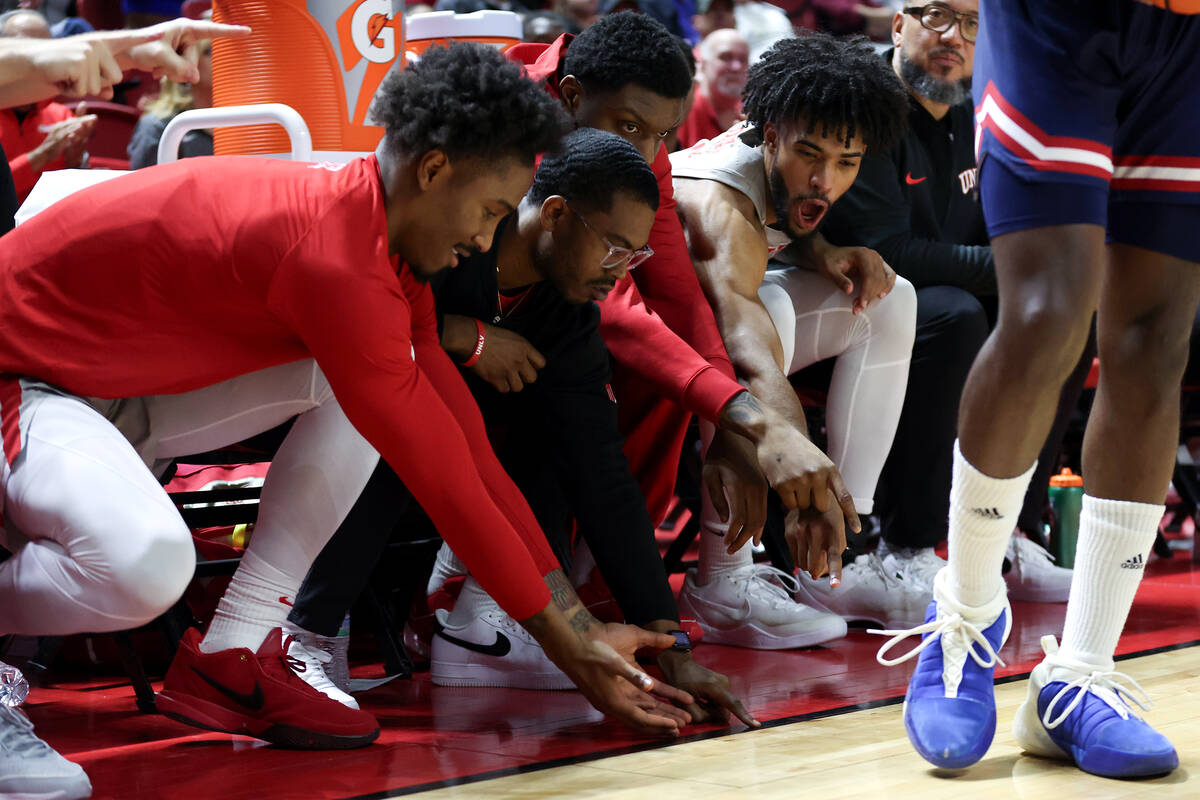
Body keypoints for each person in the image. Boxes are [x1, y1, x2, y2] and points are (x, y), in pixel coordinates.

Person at [0, 43, 695, 772]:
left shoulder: (381, 232)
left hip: (105, 387)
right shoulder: (337, 258)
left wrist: (580, 626)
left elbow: (466, 450)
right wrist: (570, 648)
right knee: (147, 565)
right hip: (23, 377)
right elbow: (444, 482)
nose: (485, 242)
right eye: (490, 212)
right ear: (432, 171)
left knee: (366, 390)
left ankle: (234, 651)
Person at [289, 129, 759, 727]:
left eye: (634, 257)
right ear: (557, 214)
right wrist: (466, 337)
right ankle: (307, 632)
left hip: (460, 469)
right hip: (323, 390)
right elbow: (372, 317)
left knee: (571, 434)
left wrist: (672, 649)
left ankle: (493, 614)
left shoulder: (568, 313)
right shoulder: (453, 233)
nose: (618, 275)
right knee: (405, 420)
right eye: (614, 248)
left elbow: (605, 481)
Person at [876, 0, 1196, 778]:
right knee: (1050, 313)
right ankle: (968, 610)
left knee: (1154, 343)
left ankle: (1077, 675)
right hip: (1056, 21)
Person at [800, 0, 1074, 628]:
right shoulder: (863, 102)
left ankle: (1010, 534)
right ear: (899, 25)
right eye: (937, 16)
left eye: (974, 24)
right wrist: (1018, 266)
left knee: (1058, 315)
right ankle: (907, 545)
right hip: (847, 298)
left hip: (921, 301)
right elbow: (887, 252)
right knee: (955, 315)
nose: (954, 36)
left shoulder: (977, 111)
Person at [671, 33, 917, 648]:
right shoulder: (720, 202)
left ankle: (843, 553)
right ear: (770, 133)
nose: (824, 181)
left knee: (893, 298)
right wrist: (792, 450)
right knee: (771, 304)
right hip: (654, 358)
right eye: (810, 154)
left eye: (847, 163)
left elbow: (779, 222)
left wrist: (825, 250)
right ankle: (723, 581)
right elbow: (737, 331)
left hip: (712, 338)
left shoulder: (783, 177)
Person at [0, 9, 95, 203]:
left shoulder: (61, 116)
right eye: (23, 52)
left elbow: (70, 196)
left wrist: (76, 162)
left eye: (44, 53)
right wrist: (39, 156)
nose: (35, 64)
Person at [127, 36, 211, 168]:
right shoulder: (157, 126)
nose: (225, 59)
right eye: (209, 51)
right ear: (187, 64)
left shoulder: (244, 121)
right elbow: (145, 185)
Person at [676, 28, 748, 150]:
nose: (736, 67)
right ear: (703, 65)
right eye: (726, 57)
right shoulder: (684, 110)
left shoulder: (749, 113)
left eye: (743, 59)